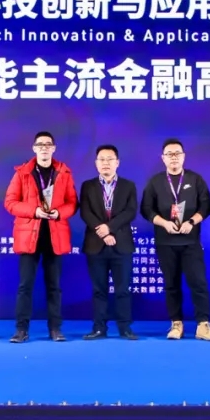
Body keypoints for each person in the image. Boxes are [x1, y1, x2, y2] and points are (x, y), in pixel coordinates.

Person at [140, 138, 210, 341]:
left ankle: (203, 325)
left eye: (177, 153)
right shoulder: (155, 182)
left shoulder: (195, 179)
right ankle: (176, 324)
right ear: (163, 158)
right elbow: (146, 209)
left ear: (184, 156)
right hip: (165, 242)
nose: (174, 157)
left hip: (190, 241)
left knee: (199, 283)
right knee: (171, 284)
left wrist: (192, 222)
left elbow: (206, 205)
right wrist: (164, 223)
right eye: (169, 154)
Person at [5, 131, 78, 343]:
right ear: (34, 148)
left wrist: (58, 213)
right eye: (40, 144)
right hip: (29, 237)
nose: (44, 148)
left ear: (53, 148)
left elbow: (72, 203)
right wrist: (34, 211)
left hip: (55, 236)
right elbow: (10, 202)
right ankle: (21, 330)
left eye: (48, 144)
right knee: (25, 286)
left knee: (54, 286)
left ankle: (55, 329)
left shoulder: (63, 172)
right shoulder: (22, 173)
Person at [79, 145, 138, 340]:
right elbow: (85, 212)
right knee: (99, 290)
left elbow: (130, 212)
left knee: (123, 290)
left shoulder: (128, 186)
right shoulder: (87, 186)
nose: (106, 163)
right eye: (102, 159)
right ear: (96, 163)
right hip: (96, 244)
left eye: (110, 159)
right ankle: (99, 328)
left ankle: (125, 328)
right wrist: (103, 233)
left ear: (117, 162)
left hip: (122, 244)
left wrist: (109, 228)